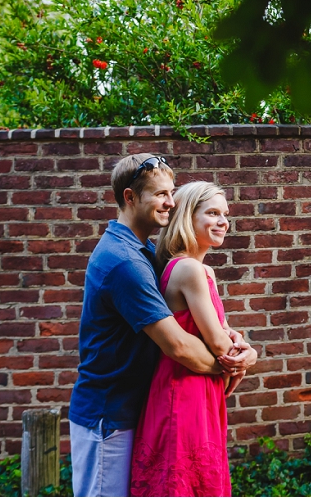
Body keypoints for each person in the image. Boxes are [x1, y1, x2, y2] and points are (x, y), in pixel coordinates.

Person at [68, 154, 255, 497]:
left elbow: (200, 321)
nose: (171, 202)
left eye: (172, 193)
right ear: (130, 197)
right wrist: (234, 362)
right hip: (109, 415)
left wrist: (240, 346)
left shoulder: (146, 252)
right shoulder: (125, 261)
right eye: (161, 194)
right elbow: (180, 347)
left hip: (136, 407)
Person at [130, 181, 257, 496]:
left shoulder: (202, 271)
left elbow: (224, 331)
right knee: (183, 480)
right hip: (183, 388)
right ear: (188, 216)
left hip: (201, 387)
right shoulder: (188, 269)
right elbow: (218, 342)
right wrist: (248, 357)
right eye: (212, 213)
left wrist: (239, 346)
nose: (223, 221)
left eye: (224, 214)